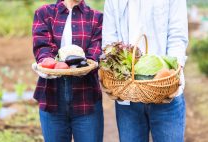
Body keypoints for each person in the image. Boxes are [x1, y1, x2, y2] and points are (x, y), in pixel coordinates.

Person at [102, 0, 188, 142]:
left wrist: (170, 76)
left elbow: (177, 37)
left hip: (166, 94)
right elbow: (109, 41)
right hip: (128, 96)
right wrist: (111, 74)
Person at [32, 0, 103, 142]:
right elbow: (42, 47)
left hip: (86, 97)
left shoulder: (96, 17)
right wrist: (48, 64)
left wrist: (84, 65)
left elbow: (95, 52)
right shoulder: (44, 13)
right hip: (52, 96)